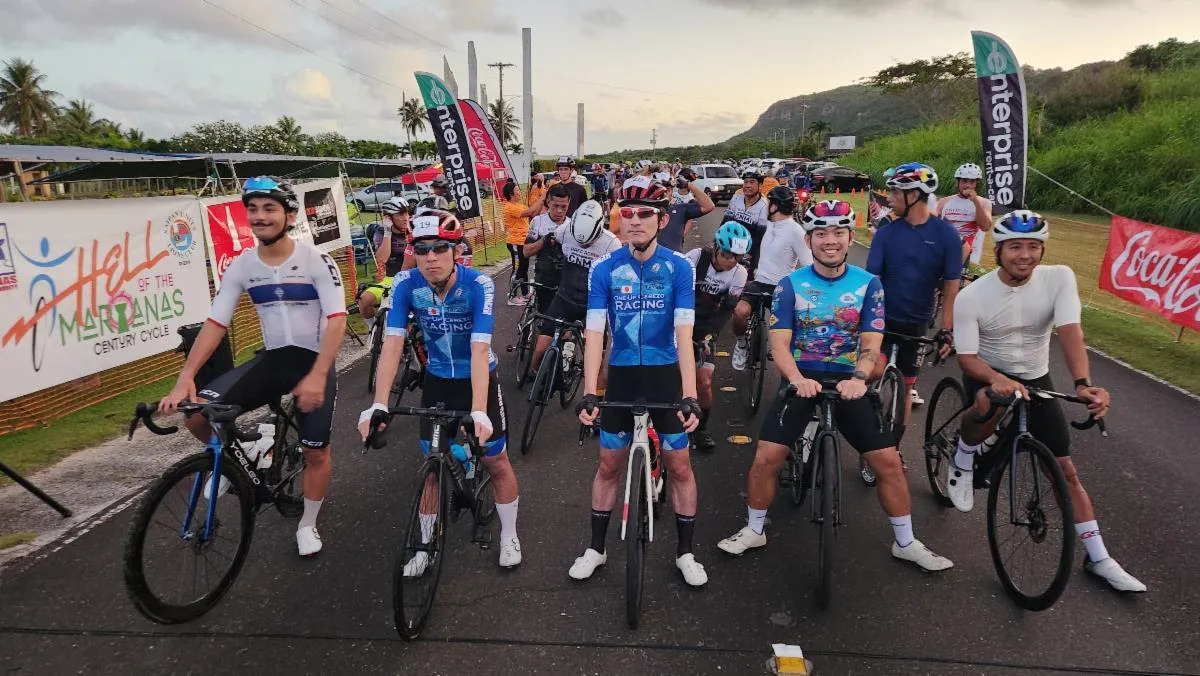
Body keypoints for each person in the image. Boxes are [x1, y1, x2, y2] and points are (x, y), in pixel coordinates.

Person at [716, 199, 954, 573]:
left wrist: (859, 378)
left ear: (849, 238)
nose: (830, 240)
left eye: (839, 233)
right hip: (802, 378)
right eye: (821, 233)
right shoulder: (790, 285)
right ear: (809, 240)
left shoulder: (869, 284)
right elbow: (780, 343)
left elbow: (871, 342)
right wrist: (796, 379)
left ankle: (906, 543)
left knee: (889, 462)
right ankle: (754, 529)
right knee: (766, 457)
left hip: (849, 381)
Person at [951, 211, 1145, 593]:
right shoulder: (972, 296)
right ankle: (962, 457)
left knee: (1065, 469)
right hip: (988, 370)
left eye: (1033, 246)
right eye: (1015, 247)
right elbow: (967, 358)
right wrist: (995, 378)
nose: (1025, 255)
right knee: (986, 405)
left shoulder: (1059, 278)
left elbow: (1071, 331)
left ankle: (1099, 557)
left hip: (1035, 376)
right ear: (998, 250)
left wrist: (1083, 384)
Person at [160, 176, 346, 557]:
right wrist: (186, 376)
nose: (260, 216)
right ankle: (244, 452)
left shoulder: (316, 261)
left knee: (316, 453)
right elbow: (216, 323)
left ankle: (308, 523)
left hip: (314, 361)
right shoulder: (243, 266)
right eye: (253, 209)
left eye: (269, 208)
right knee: (197, 416)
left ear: (289, 215)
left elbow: (337, 320)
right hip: (274, 359)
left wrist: (317, 376)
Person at [359, 209, 523, 571]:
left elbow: (480, 349)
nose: (430, 257)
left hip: (477, 377)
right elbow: (392, 344)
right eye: (421, 249)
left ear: (456, 251)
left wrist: (478, 410)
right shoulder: (406, 284)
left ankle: (509, 534)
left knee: (496, 461)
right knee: (431, 466)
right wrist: (378, 404)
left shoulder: (478, 285)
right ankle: (423, 547)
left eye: (439, 248)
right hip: (437, 381)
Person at [572, 175, 706, 587]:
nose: (634, 220)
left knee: (680, 467)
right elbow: (595, 333)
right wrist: (590, 391)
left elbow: (684, 334)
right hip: (623, 376)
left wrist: (689, 394)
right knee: (608, 465)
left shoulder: (679, 267)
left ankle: (685, 552)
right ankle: (596, 547)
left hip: (666, 376)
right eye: (627, 212)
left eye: (645, 213)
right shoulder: (605, 269)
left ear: (662, 219)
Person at [863, 163, 960, 484]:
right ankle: (868, 439)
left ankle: (893, 448)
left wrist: (946, 329)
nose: (890, 197)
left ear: (915, 195)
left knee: (905, 389)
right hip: (883, 321)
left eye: (895, 191)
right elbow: (873, 280)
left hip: (917, 322)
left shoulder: (946, 235)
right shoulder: (886, 233)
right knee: (871, 373)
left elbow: (951, 286)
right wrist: (870, 320)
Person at [527, 200, 621, 383]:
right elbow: (551, 242)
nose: (583, 246)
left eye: (588, 243)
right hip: (565, 297)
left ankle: (597, 397)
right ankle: (538, 379)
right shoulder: (565, 230)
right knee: (540, 349)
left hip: (593, 306)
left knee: (597, 360)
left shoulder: (611, 243)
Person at [730, 185, 813, 371]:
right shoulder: (769, 225)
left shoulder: (796, 231)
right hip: (759, 282)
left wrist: (796, 285)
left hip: (782, 286)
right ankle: (741, 344)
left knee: (790, 326)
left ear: (775, 206)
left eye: (769, 204)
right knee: (740, 312)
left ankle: (785, 351)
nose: (767, 207)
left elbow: (808, 264)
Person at [685, 222, 751, 450]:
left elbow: (727, 309)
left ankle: (701, 429)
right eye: (727, 255)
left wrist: (710, 335)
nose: (731, 261)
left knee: (704, 381)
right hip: (681, 319)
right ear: (715, 248)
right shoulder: (695, 258)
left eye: (737, 257)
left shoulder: (739, 273)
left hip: (706, 325)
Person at [357, 197, 411, 324]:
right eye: (401, 214)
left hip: (412, 277)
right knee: (364, 300)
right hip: (391, 279)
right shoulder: (381, 232)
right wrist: (388, 232)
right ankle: (372, 330)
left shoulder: (413, 230)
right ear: (389, 218)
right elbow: (382, 258)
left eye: (407, 213)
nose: (406, 218)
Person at [523, 184, 571, 315]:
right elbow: (526, 252)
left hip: (566, 278)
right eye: (555, 206)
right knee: (546, 315)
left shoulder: (572, 224)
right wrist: (544, 241)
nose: (559, 211)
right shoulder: (538, 221)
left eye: (564, 207)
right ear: (548, 202)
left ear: (569, 203)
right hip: (544, 276)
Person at [934, 163, 993, 268]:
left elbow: (985, 227)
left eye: (972, 182)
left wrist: (975, 202)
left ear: (976, 184)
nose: (968, 185)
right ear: (958, 182)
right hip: (945, 255)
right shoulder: (944, 202)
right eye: (964, 181)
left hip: (970, 258)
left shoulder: (984, 202)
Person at [501, 181, 545, 306]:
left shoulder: (520, 205)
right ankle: (512, 296)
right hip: (515, 242)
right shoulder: (509, 207)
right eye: (516, 190)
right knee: (518, 269)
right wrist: (542, 198)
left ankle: (525, 293)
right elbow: (529, 212)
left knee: (524, 268)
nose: (519, 192)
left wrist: (543, 201)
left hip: (523, 242)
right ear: (511, 193)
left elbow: (533, 212)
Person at [724, 172, 771, 275]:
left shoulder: (764, 206)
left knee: (746, 276)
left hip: (751, 246)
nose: (748, 186)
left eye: (752, 182)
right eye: (745, 182)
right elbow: (726, 222)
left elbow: (759, 236)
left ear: (760, 185)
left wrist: (744, 253)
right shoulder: (736, 199)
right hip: (732, 243)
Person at [660, 167, 715, 252]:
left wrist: (682, 236)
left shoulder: (690, 200)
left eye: (680, 179)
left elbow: (690, 220)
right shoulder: (673, 192)